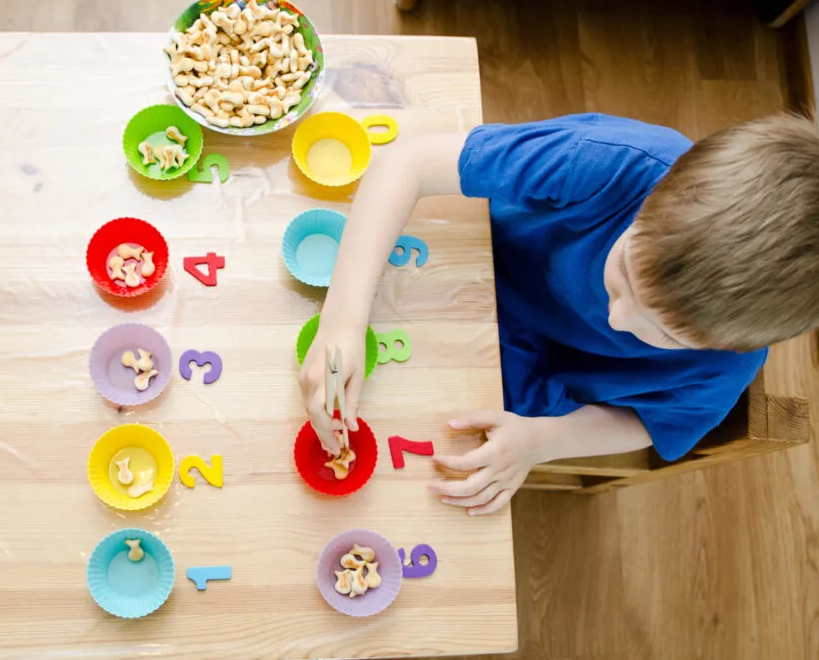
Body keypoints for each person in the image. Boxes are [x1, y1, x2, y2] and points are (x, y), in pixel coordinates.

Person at [298, 112, 819, 516]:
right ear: (653, 200)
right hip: (471, 262)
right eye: (625, 276)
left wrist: (548, 442)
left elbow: (651, 423)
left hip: (521, 390)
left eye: (665, 336)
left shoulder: (728, 362)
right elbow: (407, 163)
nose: (619, 321)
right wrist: (342, 317)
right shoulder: (611, 162)